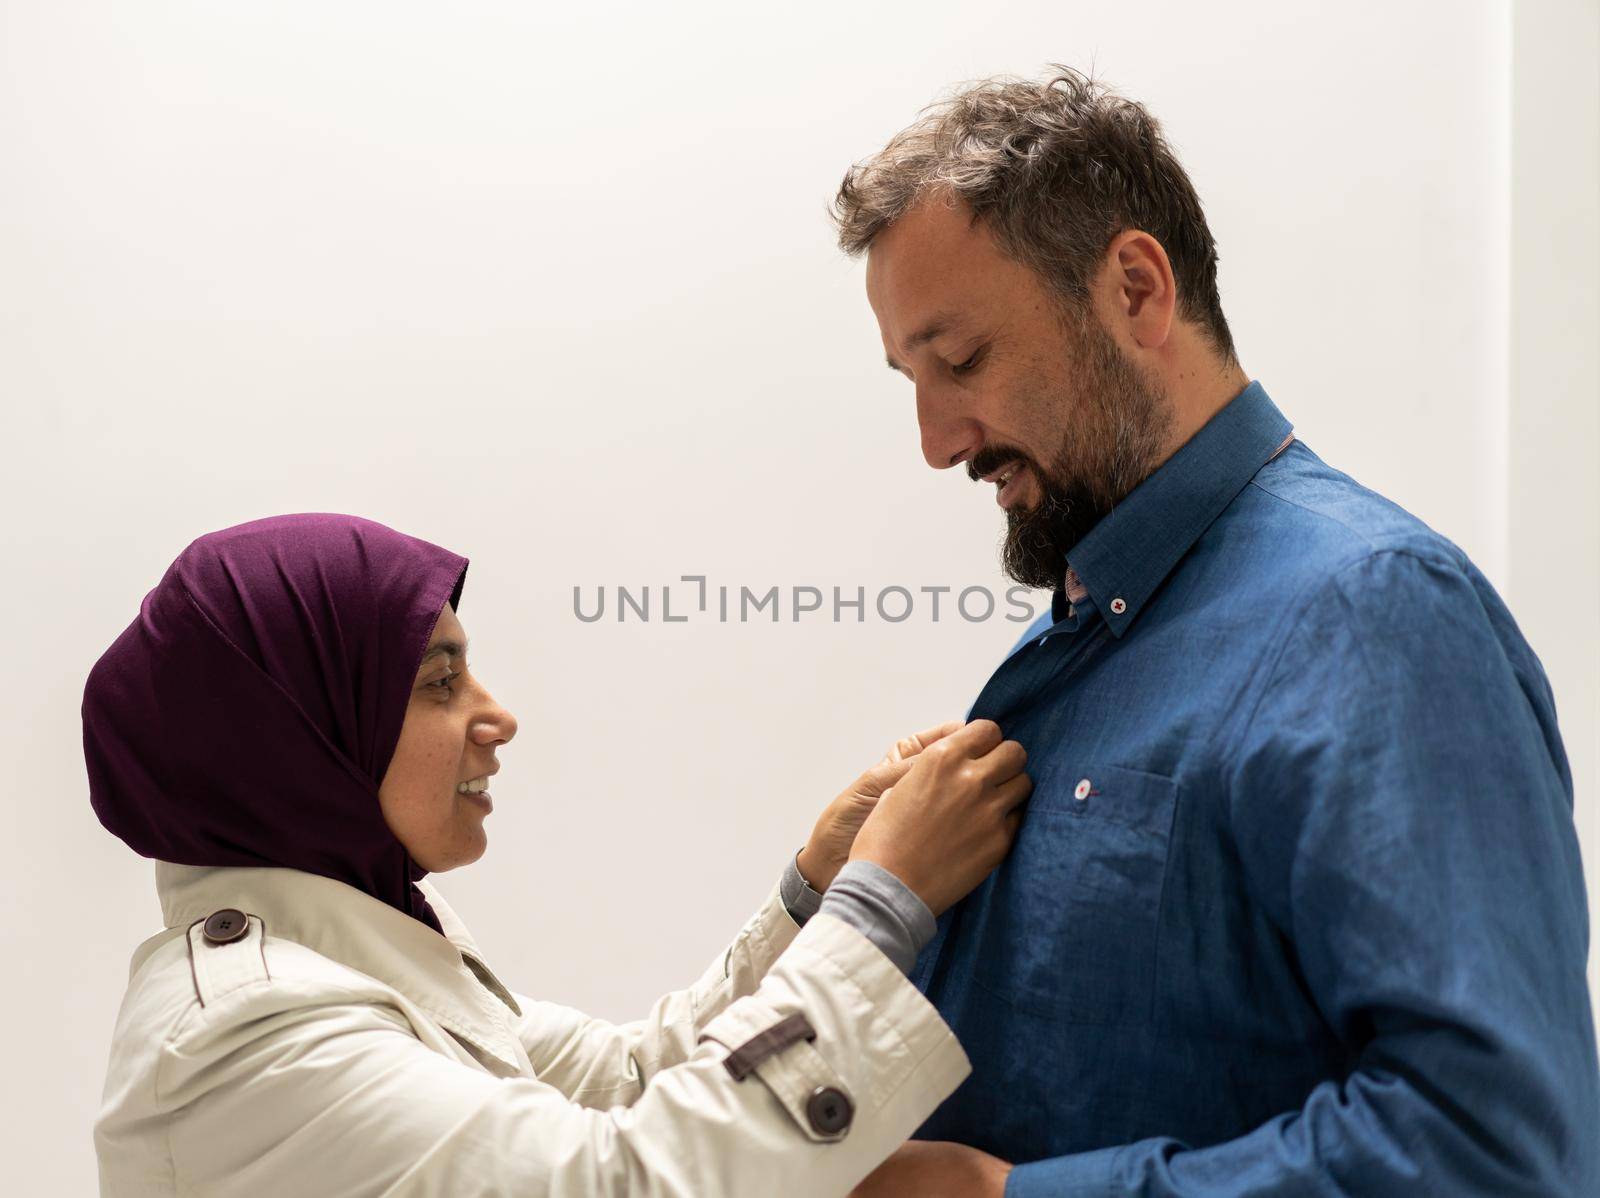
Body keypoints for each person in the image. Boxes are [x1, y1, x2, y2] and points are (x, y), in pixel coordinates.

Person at [828, 64, 1600, 1196]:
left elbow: (1492, 1147)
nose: (937, 441)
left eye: (962, 362)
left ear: (1136, 289)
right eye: (910, 378)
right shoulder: (1092, 635)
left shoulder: (1372, 613)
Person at [85, 512, 1034, 1196]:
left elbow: (628, 1080)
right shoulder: (251, 1035)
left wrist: (816, 887)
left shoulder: (353, 950)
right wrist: (879, 905)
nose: (496, 717)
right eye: (438, 683)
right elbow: (620, 1183)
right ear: (299, 740)